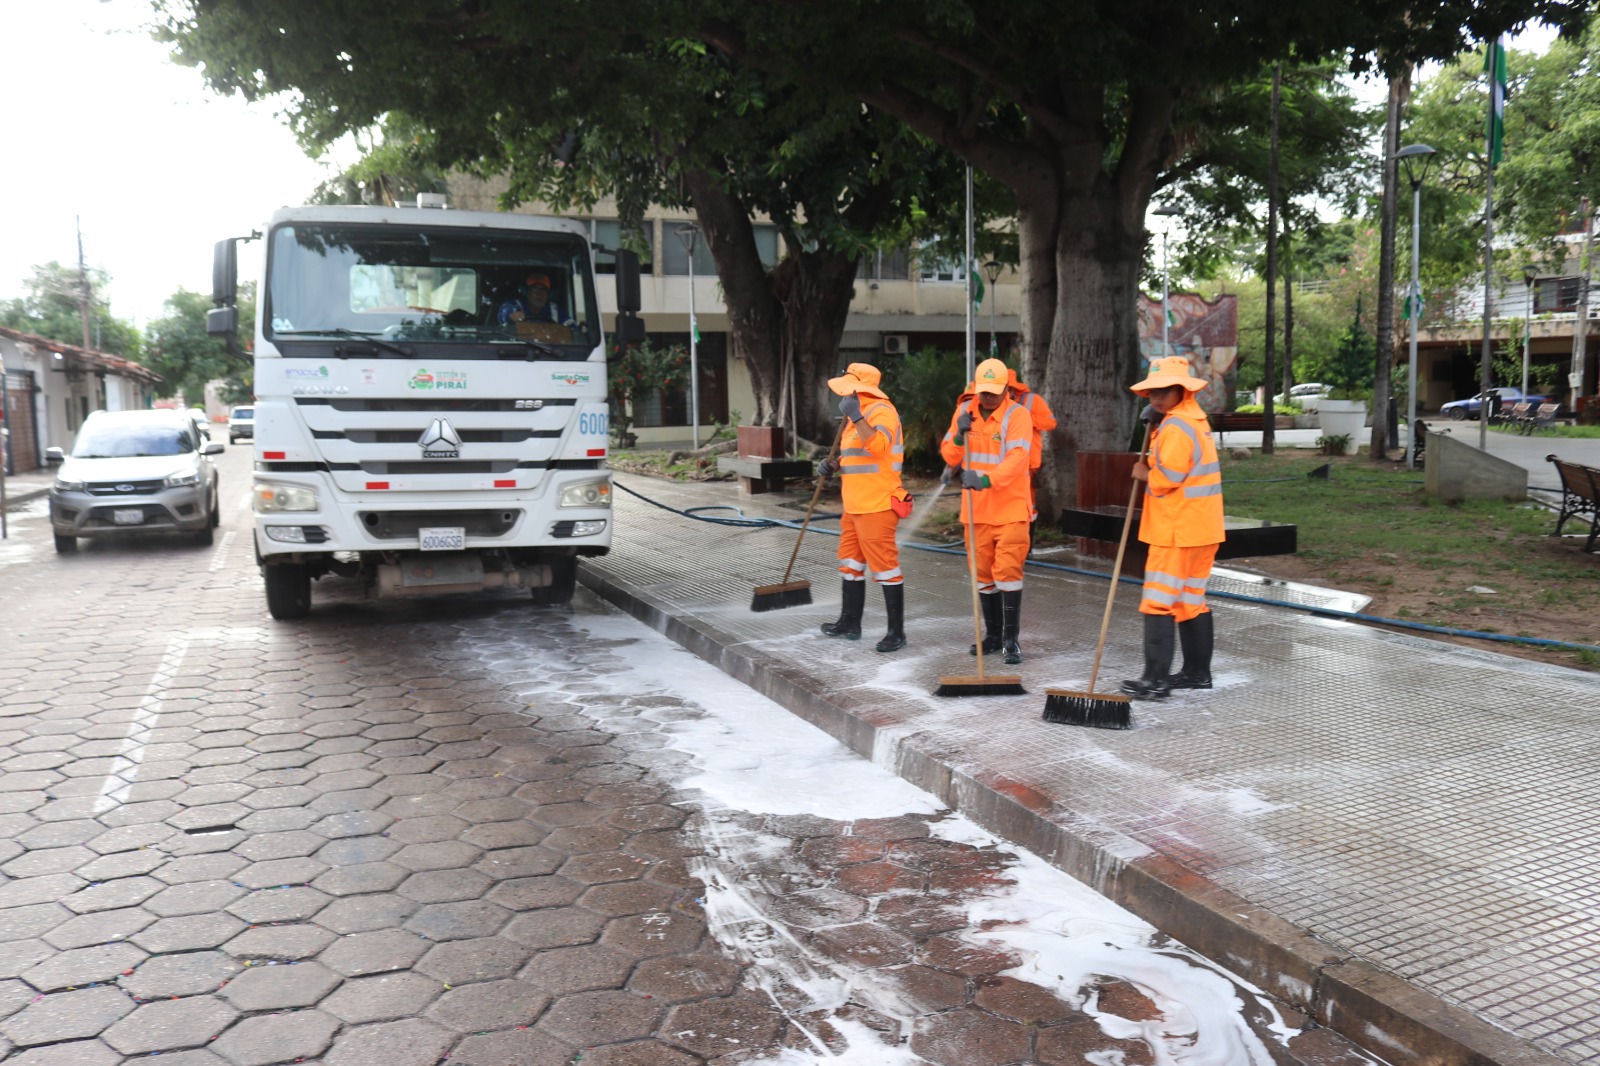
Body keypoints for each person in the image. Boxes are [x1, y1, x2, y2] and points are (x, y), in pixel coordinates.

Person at [1121, 355, 1223, 699]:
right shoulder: (1194, 420)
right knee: (1189, 601)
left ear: (1181, 390)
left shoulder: (1177, 427)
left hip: (1176, 531)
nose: (1157, 398)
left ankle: (1155, 680)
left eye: (1164, 391)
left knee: (1158, 601)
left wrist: (1143, 472)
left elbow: (1169, 477)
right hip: (1203, 529)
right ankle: (1197, 673)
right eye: (1152, 393)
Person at [940, 357, 1034, 664]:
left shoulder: (1017, 415)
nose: (989, 396)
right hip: (976, 512)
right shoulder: (963, 412)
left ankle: (1011, 641)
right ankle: (992, 636)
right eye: (984, 391)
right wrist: (958, 434)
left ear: (1006, 388)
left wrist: (983, 479)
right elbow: (949, 453)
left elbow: (1017, 459)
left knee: (1008, 573)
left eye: (995, 390)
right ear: (977, 388)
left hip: (1010, 510)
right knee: (983, 576)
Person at [817, 363, 913, 653]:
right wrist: (833, 465)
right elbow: (856, 457)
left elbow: (879, 448)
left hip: (878, 504)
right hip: (854, 505)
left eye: (849, 386)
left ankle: (896, 633)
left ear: (862, 388)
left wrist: (856, 415)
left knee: (885, 568)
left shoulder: (882, 411)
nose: (844, 392)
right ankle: (849, 622)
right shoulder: (851, 417)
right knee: (850, 564)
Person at [1005, 366, 1057, 524]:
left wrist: (1027, 419)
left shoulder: (1032, 400)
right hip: (1004, 462)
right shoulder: (996, 405)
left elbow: (1050, 422)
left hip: (1028, 462)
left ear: (1013, 388)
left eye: (1007, 389)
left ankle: (1028, 537)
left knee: (1027, 500)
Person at [498, 273, 576, 328]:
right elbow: (505, 312)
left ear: (548, 294)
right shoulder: (516, 304)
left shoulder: (554, 310)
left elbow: (570, 325)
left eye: (543, 290)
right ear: (527, 292)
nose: (539, 294)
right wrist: (511, 316)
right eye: (535, 289)